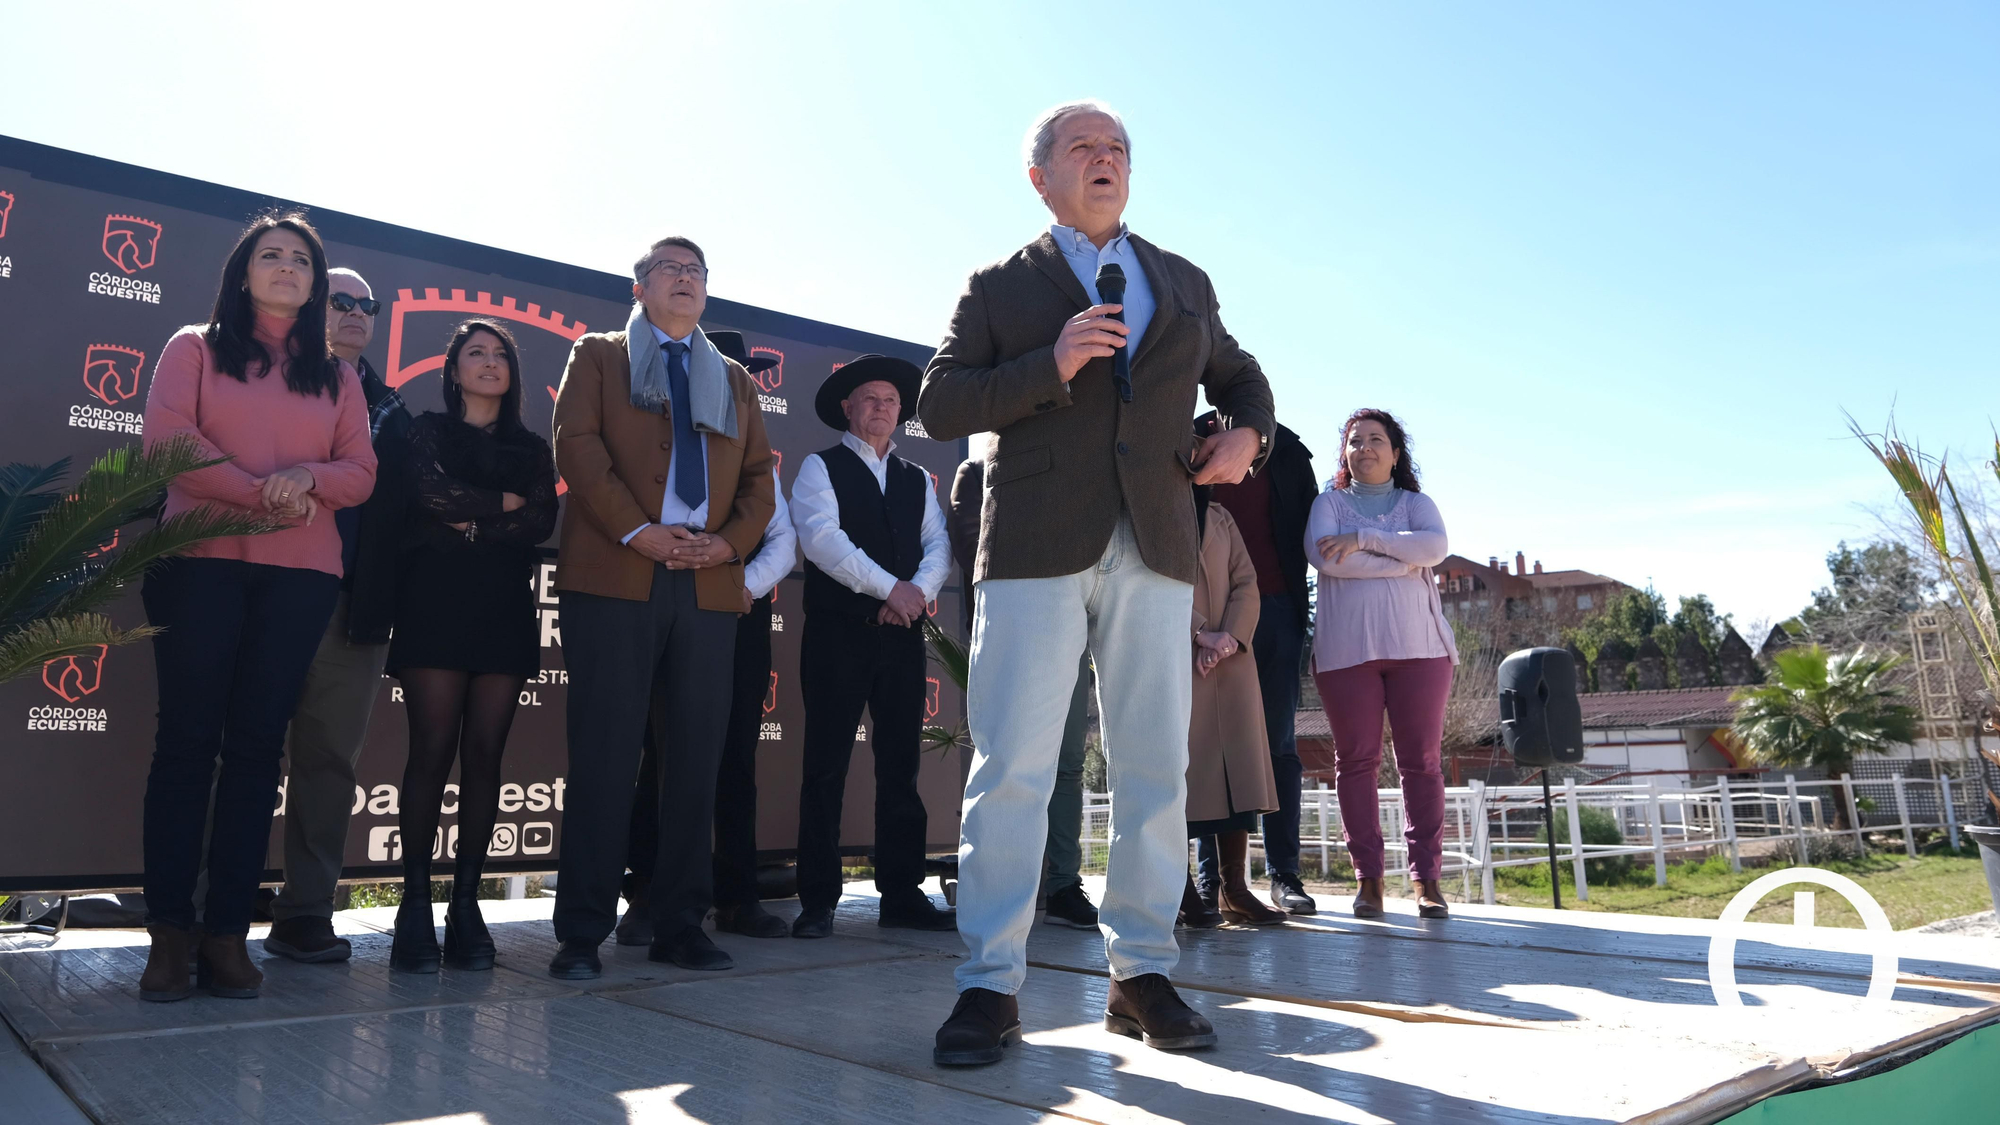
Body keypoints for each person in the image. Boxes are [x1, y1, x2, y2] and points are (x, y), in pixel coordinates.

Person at [918, 100, 1275, 1065]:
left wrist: (1248, 434)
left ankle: (1141, 973)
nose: (1105, 157)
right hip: (1034, 543)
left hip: (1157, 541)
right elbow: (940, 400)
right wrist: (1053, 361)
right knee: (1013, 766)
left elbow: (1243, 379)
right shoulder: (999, 284)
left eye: (1117, 147)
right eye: (1083, 146)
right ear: (1040, 176)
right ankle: (989, 984)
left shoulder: (1183, 280)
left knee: (1155, 765)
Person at [137, 213, 377, 1001]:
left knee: (255, 752)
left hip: (300, 577)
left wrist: (307, 478)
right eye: (270, 255)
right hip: (198, 565)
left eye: (300, 259)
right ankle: (169, 936)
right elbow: (167, 441)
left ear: (315, 283)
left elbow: (359, 471)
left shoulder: (336, 377)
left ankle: (226, 935)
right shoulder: (194, 347)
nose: (285, 267)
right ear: (243, 272)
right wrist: (257, 493)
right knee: (185, 745)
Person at [548, 236, 776, 978]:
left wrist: (727, 545)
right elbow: (577, 446)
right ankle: (581, 932)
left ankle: (681, 923)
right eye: (669, 269)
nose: (685, 278)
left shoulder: (733, 380)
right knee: (606, 755)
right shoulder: (598, 355)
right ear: (639, 287)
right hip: (618, 571)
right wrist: (637, 530)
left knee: (695, 763)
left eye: (696, 271)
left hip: (707, 584)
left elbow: (759, 483)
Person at [386, 319, 558, 972]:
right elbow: (427, 493)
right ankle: (413, 906)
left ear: (512, 373)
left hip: (503, 608)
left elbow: (539, 519)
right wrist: (500, 504)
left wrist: (469, 520)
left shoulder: (532, 448)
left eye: (500, 354)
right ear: (453, 370)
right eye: (475, 353)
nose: (489, 362)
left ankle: (465, 906)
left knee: (485, 755)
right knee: (430, 750)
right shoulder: (425, 431)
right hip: (432, 602)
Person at [617, 330, 796, 946]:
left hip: (737, 617)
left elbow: (782, 538)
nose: (735, 386)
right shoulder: (657, 445)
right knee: (659, 752)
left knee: (736, 756)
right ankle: (646, 893)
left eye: (744, 377)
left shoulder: (758, 457)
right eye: (723, 373)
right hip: (662, 609)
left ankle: (737, 896)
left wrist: (742, 586)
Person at [264, 267, 414, 964]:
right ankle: (210, 910)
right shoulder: (263, 379)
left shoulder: (396, 413)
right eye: (341, 301)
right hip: (263, 592)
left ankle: (305, 913)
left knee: (327, 764)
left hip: (352, 608)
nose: (356, 312)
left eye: (368, 304)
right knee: (240, 753)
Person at [790, 355, 955, 938]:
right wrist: (892, 589)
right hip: (837, 637)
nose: (881, 408)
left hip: (901, 639)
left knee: (901, 767)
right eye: (870, 399)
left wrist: (913, 596)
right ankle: (817, 901)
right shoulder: (819, 467)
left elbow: (938, 546)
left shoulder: (917, 478)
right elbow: (822, 540)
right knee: (825, 767)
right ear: (848, 408)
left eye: (890, 400)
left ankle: (902, 894)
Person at [1304, 409, 1458, 921]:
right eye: (1355, 441)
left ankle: (1427, 881)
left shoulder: (1417, 504)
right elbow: (1327, 559)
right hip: (1346, 655)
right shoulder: (1328, 504)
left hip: (1421, 653)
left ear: (1395, 453)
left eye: (1375, 439)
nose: (1364, 447)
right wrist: (1404, 559)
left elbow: (1435, 547)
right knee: (1355, 762)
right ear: (1344, 454)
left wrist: (1364, 539)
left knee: (1422, 764)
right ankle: (1368, 881)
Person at [947, 454, 1097, 930]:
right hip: (1013, 633)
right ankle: (1003, 893)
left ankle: (1063, 885)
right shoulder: (977, 472)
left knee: (1068, 764)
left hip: (1074, 632)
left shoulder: (1078, 466)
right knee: (1009, 761)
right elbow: (973, 547)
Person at [1192, 414, 1318, 916]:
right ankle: (1213, 884)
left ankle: (1284, 875)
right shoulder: (1190, 440)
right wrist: (1203, 630)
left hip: (1276, 608)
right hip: (1201, 617)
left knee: (1278, 744)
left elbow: (1306, 533)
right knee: (1206, 744)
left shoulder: (1287, 450)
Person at [1182, 489, 1286, 927]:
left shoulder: (1221, 516)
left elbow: (1246, 581)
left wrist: (1229, 638)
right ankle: (1179, 890)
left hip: (1231, 659)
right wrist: (1199, 633)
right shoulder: (1151, 506)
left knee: (1235, 773)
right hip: (1179, 656)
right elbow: (1149, 581)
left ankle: (1234, 890)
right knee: (1181, 775)